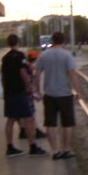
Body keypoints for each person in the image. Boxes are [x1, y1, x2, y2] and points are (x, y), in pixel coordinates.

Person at [35, 32, 82, 160]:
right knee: (67, 123)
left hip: (49, 94)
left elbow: (37, 74)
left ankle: (55, 151)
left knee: (50, 123)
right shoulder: (67, 55)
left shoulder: (43, 55)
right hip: (65, 94)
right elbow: (72, 74)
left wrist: (37, 91)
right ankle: (66, 149)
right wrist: (78, 91)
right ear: (63, 41)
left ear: (52, 40)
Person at [1, 34, 47, 157]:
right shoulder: (19, 56)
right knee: (29, 118)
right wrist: (31, 89)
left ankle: (10, 147)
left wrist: (5, 90)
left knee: (10, 119)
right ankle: (32, 146)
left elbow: (3, 77)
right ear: (17, 42)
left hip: (9, 92)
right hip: (20, 92)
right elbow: (23, 73)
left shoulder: (5, 58)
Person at [17, 50, 46, 139]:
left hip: (21, 92)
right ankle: (35, 131)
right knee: (30, 113)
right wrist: (34, 92)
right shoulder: (29, 67)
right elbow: (30, 80)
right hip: (27, 93)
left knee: (21, 113)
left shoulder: (26, 65)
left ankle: (22, 130)